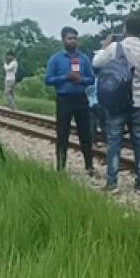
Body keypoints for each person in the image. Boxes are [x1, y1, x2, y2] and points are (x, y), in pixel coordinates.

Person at [92, 14, 140, 192]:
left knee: (114, 142)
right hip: (137, 102)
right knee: (139, 143)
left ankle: (112, 183)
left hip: (117, 103)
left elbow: (96, 62)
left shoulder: (115, 47)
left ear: (125, 29)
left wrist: (105, 47)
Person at [44, 27, 96, 176]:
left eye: (75, 38)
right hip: (64, 100)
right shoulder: (56, 59)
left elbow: (92, 79)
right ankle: (60, 167)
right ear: (63, 40)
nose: (73, 41)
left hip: (81, 99)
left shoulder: (84, 58)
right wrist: (65, 77)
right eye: (69, 38)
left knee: (85, 135)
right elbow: (48, 79)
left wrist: (82, 79)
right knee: (62, 135)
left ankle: (89, 166)